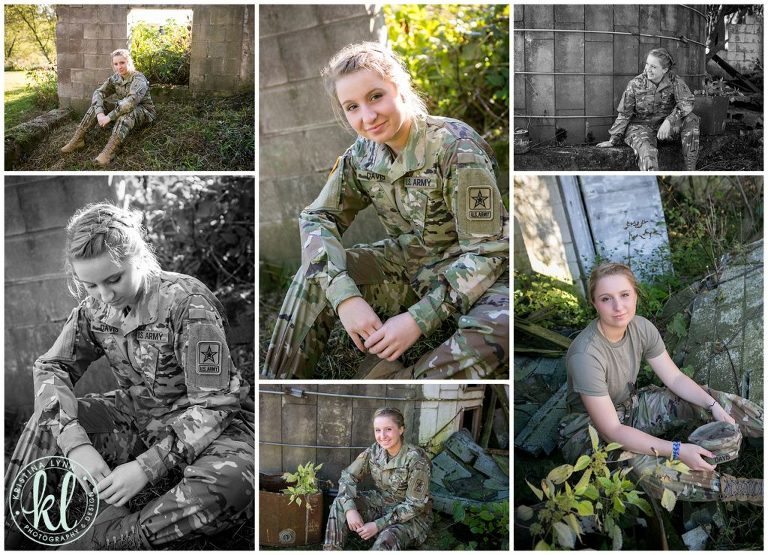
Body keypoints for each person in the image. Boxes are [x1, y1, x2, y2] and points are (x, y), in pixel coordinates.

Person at [4, 203, 254, 549]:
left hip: (208, 431)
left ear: (139, 255)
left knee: (233, 481)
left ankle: (111, 537)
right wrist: (75, 445)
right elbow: (52, 367)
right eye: (89, 285)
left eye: (114, 279)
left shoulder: (186, 303)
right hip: (137, 419)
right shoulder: (95, 308)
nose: (104, 295)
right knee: (47, 418)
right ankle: (15, 530)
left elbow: (216, 404)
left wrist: (146, 468)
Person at [262, 41, 509, 379]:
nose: (368, 116)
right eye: (352, 107)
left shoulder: (454, 148)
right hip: (408, 268)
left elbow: (488, 252)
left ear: (400, 87)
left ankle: (400, 385)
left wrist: (417, 320)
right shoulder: (362, 154)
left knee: (503, 326)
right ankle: (277, 386)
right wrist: (345, 296)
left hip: (473, 277)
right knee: (318, 271)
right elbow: (319, 217)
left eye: (376, 96)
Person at [559, 262, 763, 504]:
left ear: (635, 294)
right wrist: (678, 450)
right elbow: (611, 430)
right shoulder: (586, 355)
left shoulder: (641, 327)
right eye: (606, 299)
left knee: (704, 398)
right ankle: (746, 490)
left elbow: (675, 378)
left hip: (630, 407)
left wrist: (712, 405)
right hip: (588, 431)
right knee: (641, 467)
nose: (618, 307)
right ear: (594, 303)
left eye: (624, 295)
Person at [324, 407, 432, 550]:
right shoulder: (375, 451)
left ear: (401, 430)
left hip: (411, 519)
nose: (382, 436)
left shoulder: (416, 460)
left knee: (387, 537)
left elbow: (415, 506)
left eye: (388, 429)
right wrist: (350, 510)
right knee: (341, 502)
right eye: (377, 430)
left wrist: (377, 525)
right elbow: (348, 476)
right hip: (383, 504)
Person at [596, 47, 700, 171]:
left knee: (691, 119)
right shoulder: (635, 84)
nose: (648, 70)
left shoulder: (674, 81)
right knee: (647, 152)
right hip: (641, 127)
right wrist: (613, 140)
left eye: (653, 67)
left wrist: (669, 120)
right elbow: (624, 114)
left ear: (665, 69)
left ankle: (691, 170)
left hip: (664, 129)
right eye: (647, 64)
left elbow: (687, 102)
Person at [61, 49, 156, 166]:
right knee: (97, 107)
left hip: (143, 112)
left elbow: (130, 103)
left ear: (129, 62)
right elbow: (99, 93)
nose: (119, 67)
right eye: (116, 64)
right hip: (124, 107)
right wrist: (100, 113)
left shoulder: (138, 79)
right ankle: (78, 140)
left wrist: (109, 117)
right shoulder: (116, 78)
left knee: (127, 113)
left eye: (122, 63)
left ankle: (109, 152)